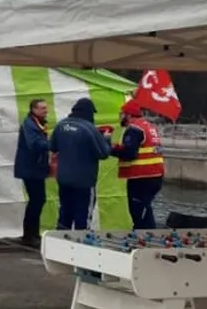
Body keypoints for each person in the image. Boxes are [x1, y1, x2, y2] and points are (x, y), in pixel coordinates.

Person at [49, 97, 112, 231]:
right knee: (83, 214)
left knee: (65, 211)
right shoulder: (89, 128)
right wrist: (106, 139)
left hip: (64, 178)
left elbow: (53, 147)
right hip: (84, 180)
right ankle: (81, 240)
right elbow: (104, 153)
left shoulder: (61, 125)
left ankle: (61, 238)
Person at [109, 100, 165, 229]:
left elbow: (129, 153)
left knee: (138, 210)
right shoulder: (149, 127)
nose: (120, 117)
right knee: (144, 207)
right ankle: (146, 232)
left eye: (122, 114)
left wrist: (110, 148)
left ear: (128, 115)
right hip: (155, 175)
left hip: (141, 177)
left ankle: (144, 234)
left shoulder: (134, 129)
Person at [13, 98, 52, 247]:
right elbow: (34, 144)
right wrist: (52, 144)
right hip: (30, 168)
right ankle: (29, 235)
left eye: (46, 108)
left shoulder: (38, 123)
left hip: (36, 167)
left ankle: (32, 233)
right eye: (42, 108)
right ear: (34, 109)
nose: (46, 110)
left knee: (38, 200)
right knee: (37, 199)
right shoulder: (29, 124)